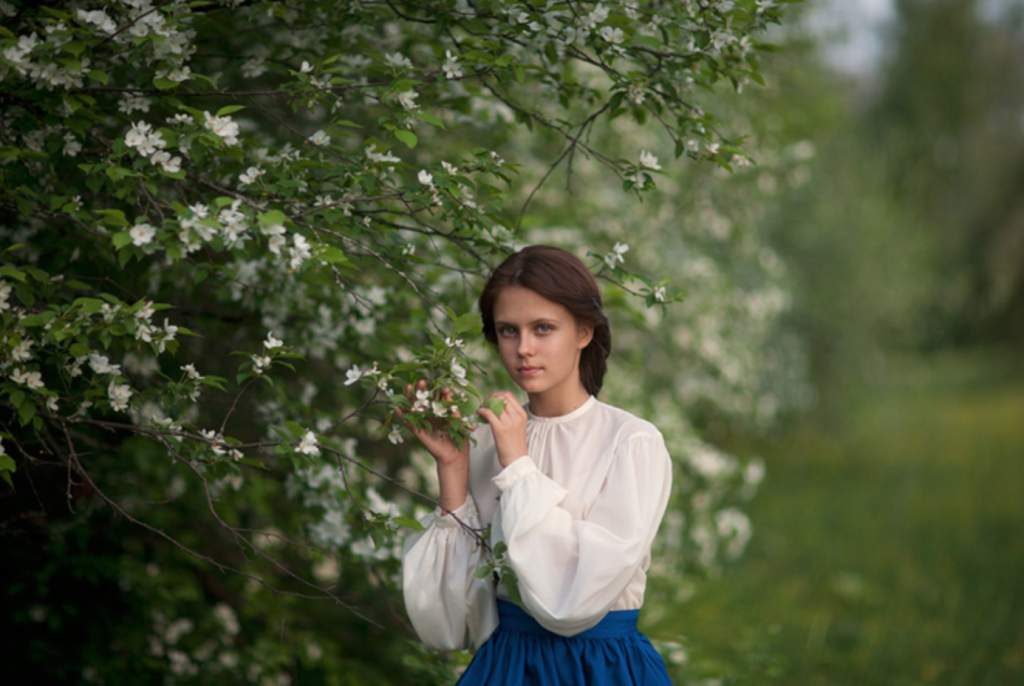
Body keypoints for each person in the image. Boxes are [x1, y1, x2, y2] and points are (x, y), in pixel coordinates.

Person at [400, 245, 674, 685]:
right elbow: (450, 624)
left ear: (584, 331)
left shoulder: (631, 443)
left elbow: (572, 604)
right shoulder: (488, 437)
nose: (524, 348)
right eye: (508, 331)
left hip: (600, 669)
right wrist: (453, 468)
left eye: (543, 328)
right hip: (506, 668)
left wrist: (519, 465)